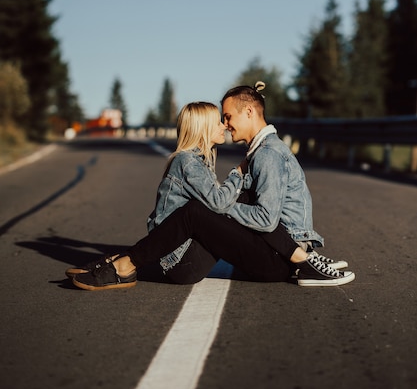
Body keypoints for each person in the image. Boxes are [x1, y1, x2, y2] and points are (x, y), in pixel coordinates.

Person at [69, 102, 355, 290]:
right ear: (204, 128)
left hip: (189, 255)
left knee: (238, 201)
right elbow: (217, 203)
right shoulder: (187, 162)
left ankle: (301, 256)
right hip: (181, 262)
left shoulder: (200, 160)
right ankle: (123, 265)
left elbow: (223, 203)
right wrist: (239, 172)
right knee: (199, 211)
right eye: (219, 121)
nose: (225, 126)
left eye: (225, 119)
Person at [221, 82, 344, 264]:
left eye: (227, 117)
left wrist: (220, 206)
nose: (225, 125)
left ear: (249, 112)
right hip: (285, 244)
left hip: (284, 250)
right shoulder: (262, 150)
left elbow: (265, 219)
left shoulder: (268, 153)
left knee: (207, 213)